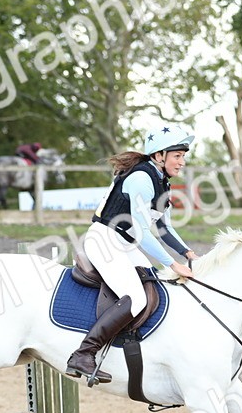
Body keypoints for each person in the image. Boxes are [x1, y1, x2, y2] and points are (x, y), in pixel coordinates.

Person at [65, 124, 199, 385]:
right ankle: (84, 354)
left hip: (124, 244)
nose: (182, 162)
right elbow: (141, 232)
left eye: (183, 156)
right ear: (160, 155)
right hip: (105, 240)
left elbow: (163, 227)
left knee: (155, 284)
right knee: (135, 298)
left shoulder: (161, 182)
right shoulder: (141, 178)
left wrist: (187, 252)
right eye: (178, 156)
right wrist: (173, 263)